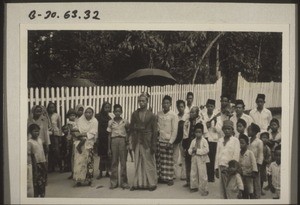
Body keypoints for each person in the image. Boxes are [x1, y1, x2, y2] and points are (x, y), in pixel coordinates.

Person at [130, 92, 158, 191]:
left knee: (149, 162)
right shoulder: (134, 114)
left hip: (147, 140)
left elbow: (155, 131)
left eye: (143, 101)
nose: (141, 103)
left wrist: (154, 145)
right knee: (138, 161)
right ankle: (137, 183)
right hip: (137, 139)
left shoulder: (152, 115)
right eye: (140, 101)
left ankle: (152, 183)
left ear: (147, 101)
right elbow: (131, 128)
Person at [182, 106, 207, 188]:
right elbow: (185, 134)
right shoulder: (187, 122)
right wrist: (185, 145)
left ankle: (197, 183)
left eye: (193, 112)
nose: (191, 114)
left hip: (197, 143)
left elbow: (205, 133)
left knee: (197, 164)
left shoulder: (200, 121)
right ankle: (189, 181)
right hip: (189, 143)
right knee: (188, 162)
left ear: (197, 113)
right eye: (191, 112)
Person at [73, 106, 98, 186]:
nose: (88, 114)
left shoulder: (94, 121)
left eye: (90, 112)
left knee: (89, 162)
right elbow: (75, 129)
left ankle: (89, 179)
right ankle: (79, 180)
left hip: (89, 144)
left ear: (92, 113)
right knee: (79, 162)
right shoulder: (80, 120)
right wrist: (80, 136)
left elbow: (93, 133)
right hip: (79, 142)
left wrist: (84, 134)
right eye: (86, 112)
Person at [215, 120, 240, 199]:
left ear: (232, 130)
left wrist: (232, 168)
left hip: (230, 168)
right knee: (222, 189)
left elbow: (236, 155)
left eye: (229, 129)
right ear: (222, 130)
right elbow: (217, 155)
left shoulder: (235, 141)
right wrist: (216, 168)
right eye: (225, 129)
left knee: (230, 189)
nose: (227, 130)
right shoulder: (220, 140)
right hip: (221, 167)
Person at [107, 104, 130, 189]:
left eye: (119, 111)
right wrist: (109, 148)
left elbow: (128, 131)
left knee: (123, 162)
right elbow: (109, 135)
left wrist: (127, 143)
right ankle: (114, 182)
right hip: (114, 141)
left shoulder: (125, 121)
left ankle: (124, 182)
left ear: (121, 112)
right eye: (116, 111)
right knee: (114, 162)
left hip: (122, 141)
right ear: (113, 112)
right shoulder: (110, 122)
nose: (117, 113)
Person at [156, 95, 178, 186]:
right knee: (160, 159)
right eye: (164, 103)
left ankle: (169, 178)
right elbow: (157, 125)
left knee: (169, 160)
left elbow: (175, 130)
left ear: (170, 104)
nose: (165, 105)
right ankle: (162, 177)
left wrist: (170, 142)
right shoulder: (159, 114)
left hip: (168, 140)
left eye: (167, 103)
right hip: (160, 139)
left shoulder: (173, 115)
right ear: (162, 103)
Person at [188, 123, 209, 196]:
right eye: (196, 132)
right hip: (194, 158)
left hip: (201, 158)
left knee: (202, 174)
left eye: (199, 132)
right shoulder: (193, 141)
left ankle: (204, 189)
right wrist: (192, 151)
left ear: (202, 132)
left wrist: (197, 150)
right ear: (194, 133)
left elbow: (206, 150)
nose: (198, 134)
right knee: (193, 172)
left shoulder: (204, 141)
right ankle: (194, 187)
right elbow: (189, 149)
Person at [201, 99, 219, 182]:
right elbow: (202, 125)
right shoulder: (203, 115)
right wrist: (206, 126)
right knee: (205, 157)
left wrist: (214, 124)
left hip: (214, 140)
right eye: (208, 106)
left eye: (212, 106)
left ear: (214, 107)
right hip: (205, 138)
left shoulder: (217, 116)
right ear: (206, 106)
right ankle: (205, 175)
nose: (210, 108)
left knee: (212, 158)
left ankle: (211, 176)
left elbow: (218, 129)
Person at [28, 124, 47, 197]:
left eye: (38, 131)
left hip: (42, 162)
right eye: (35, 131)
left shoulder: (40, 140)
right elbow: (31, 156)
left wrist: (45, 162)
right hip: (36, 164)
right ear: (30, 132)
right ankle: (36, 196)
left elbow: (42, 152)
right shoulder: (30, 142)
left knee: (43, 181)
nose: (37, 133)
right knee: (37, 182)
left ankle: (42, 195)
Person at [95, 102, 113, 179]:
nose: (107, 109)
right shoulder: (98, 116)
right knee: (102, 156)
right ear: (102, 107)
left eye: (108, 107)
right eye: (105, 107)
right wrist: (97, 138)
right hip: (101, 138)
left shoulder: (110, 118)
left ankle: (108, 172)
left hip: (108, 138)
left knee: (108, 156)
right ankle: (100, 172)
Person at [247, 123, 264, 199]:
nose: (247, 131)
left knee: (256, 182)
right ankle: (250, 195)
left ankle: (257, 197)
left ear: (254, 132)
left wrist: (258, 166)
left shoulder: (259, 142)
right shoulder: (248, 141)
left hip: (256, 165)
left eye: (249, 130)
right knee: (249, 183)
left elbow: (260, 155)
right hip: (248, 164)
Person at [239, 134, 258, 199]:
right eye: (239, 143)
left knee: (250, 189)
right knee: (243, 189)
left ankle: (252, 199)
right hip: (241, 175)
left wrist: (254, 171)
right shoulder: (238, 153)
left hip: (249, 175)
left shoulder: (250, 153)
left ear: (247, 143)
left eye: (242, 143)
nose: (240, 144)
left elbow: (254, 163)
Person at [174, 100, 189, 180]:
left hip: (184, 138)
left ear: (184, 107)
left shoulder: (187, 117)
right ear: (177, 107)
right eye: (179, 107)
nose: (180, 108)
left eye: (182, 107)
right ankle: (174, 174)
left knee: (183, 156)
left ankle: (184, 174)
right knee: (175, 155)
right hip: (177, 138)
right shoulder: (175, 116)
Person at [47, 102, 62, 172]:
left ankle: (60, 166)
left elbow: (59, 126)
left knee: (57, 150)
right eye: (50, 107)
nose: (51, 109)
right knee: (50, 151)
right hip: (48, 134)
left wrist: (60, 136)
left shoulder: (57, 115)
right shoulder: (45, 116)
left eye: (53, 107)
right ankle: (51, 167)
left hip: (56, 134)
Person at [66, 108, 79, 179]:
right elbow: (71, 130)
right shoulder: (69, 123)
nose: (72, 117)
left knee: (75, 156)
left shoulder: (76, 122)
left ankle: (75, 172)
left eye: (74, 115)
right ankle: (73, 172)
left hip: (76, 139)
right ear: (68, 116)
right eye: (71, 115)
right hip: (71, 139)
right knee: (72, 157)